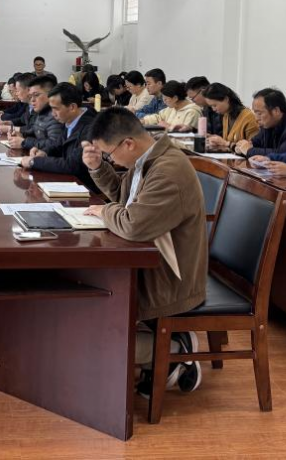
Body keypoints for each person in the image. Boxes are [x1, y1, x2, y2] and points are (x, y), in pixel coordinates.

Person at [80, 108, 207, 393]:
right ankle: (163, 349)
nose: (111, 160)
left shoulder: (168, 171)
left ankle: (174, 349)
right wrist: (98, 167)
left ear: (128, 143)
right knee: (87, 306)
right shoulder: (149, 158)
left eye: (108, 154)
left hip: (170, 278)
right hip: (152, 261)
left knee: (91, 330)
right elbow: (125, 200)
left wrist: (105, 211)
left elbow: (133, 224)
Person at [20, 83, 98, 191]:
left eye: (56, 109)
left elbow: (73, 165)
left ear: (72, 107)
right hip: (68, 182)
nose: (53, 114)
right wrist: (44, 152)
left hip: (85, 189)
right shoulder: (71, 120)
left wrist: (34, 162)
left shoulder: (91, 128)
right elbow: (57, 144)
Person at [234, 88, 286, 157]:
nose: (256, 119)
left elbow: (283, 154)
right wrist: (241, 147)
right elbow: (254, 143)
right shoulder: (268, 124)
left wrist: (249, 150)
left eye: (259, 113)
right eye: (255, 113)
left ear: (276, 111)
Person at [6, 75, 64, 152]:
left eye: (36, 95)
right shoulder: (42, 112)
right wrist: (21, 135)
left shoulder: (55, 115)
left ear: (51, 94)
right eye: (31, 96)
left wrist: (24, 142)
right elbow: (34, 131)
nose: (32, 100)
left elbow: (54, 145)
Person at [203, 83, 259, 152]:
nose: (213, 109)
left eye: (215, 105)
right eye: (211, 106)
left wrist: (225, 143)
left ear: (226, 99)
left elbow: (252, 148)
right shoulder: (226, 115)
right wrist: (217, 142)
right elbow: (226, 143)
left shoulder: (248, 117)